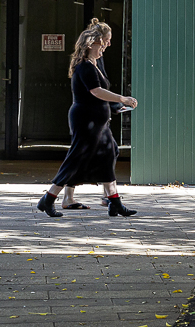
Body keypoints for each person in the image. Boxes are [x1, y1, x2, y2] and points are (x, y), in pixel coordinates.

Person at [37, 19, 138, 218]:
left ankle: (114, 201)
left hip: (98, 121)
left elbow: (100, 93)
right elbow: (96, 91)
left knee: (110, 153)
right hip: (87, 121)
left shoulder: (94, 64)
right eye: (103, 43)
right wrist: (121, 98)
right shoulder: (85, 67)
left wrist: (116, 106)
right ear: (92, 44)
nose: (105, 47)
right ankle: (48, 199)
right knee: (76, 158)